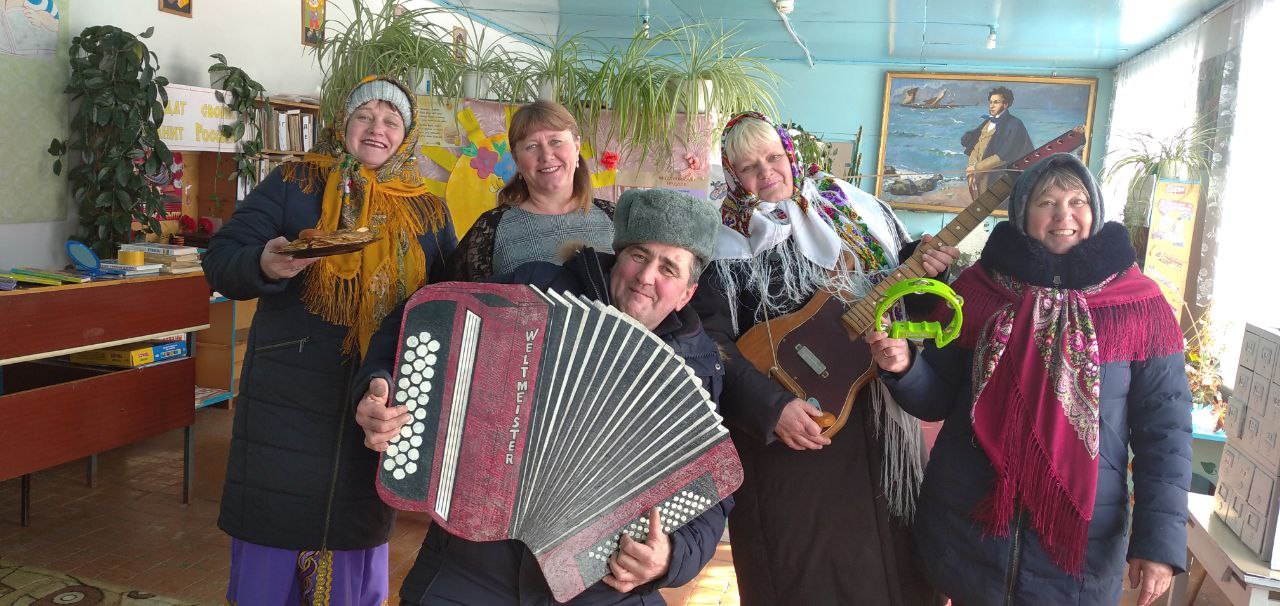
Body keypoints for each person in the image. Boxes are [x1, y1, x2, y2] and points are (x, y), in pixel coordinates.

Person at [355, 188, 731, 605]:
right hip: (472, 564)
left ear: (686, 294)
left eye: (668, 268)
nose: (646, 276)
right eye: (639, 255)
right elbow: (428, 316)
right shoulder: (537, 290)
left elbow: (712, 497)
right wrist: (379, 386)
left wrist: (669, 559)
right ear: (617, 256)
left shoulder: (695, 368)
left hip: (598, 588)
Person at [868, 153, 1191, 606]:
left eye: (1077, 201)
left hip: (1078, 547)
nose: (1064, 216)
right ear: (1022, 213)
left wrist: (1159, 543)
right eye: (1047, 202)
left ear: (1095, 211)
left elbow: (1166, 430)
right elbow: (937, 399)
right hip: (970, 531)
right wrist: (905, 368)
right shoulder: (977, 290)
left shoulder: (1139, 305)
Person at [202, 76, 457, 605]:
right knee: (270, 543)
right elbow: (222, 258)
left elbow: (445, 302)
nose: (377, 129)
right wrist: (263, 263)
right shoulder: (294, 182)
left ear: (406, 135)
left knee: (353, 548)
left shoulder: (429, 211)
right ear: (343, 124)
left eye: (391, 121)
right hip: (287, 399)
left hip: (380, 405)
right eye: (366, 116)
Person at [690, 111, 957, 605]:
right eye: (748, 167)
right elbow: (710, 344)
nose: (766, 172)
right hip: (792, 441)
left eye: (773, 157)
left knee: (893, 569)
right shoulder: (718, 245)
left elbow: (902, 305)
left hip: (876, 427)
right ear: (732, 175)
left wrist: (926, 270)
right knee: (802, 576)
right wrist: (772, 409)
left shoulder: (851, 210)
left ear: (790, 156)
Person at [446, 100, 615, 281]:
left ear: (576, 147)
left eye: (556, 141)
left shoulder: (615, 217)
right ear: (516, 159)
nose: (546, 156)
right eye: (531, 146)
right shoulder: (490, 228)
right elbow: (452, 293)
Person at [961, 86, 1034, 201]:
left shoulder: (1015, 124)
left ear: (1005, 104)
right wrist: (971, 167)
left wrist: (976, 168)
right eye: (990, 102)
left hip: (1000, 177)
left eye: (996, 102)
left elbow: (1004, 155)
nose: (991, 106)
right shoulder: (987, 122)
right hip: (978, 174)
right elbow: (977, 146)